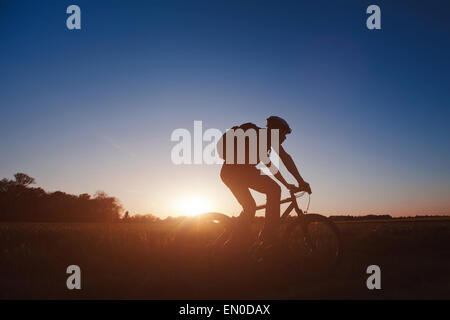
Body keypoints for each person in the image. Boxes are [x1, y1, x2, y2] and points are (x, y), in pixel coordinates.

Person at [218, 116, 311, 246]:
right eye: (284, 134)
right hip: (237, 172)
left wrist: (287, 184)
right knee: (273, 190)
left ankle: (237, 242)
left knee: (250, 207)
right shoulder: (260, 138)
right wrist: (300, 182)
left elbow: (273, 165)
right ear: (277, 131)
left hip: (232, 172)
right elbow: (283, 159)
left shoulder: (264, 139)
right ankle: (268, 236)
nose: (284, 138)